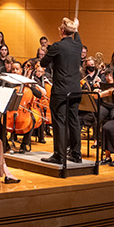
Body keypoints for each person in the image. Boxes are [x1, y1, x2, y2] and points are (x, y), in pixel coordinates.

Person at [39, 17, 83, 165]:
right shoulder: (78, 45)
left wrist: (51, 53)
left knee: (59, 122)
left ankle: (60, 155)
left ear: (62, 31)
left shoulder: (57, 46)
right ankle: (76, 154)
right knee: (74, 122)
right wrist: (76, 28)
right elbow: (78, 38)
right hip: (75, 90)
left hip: (61, 91)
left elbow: (43, 63)